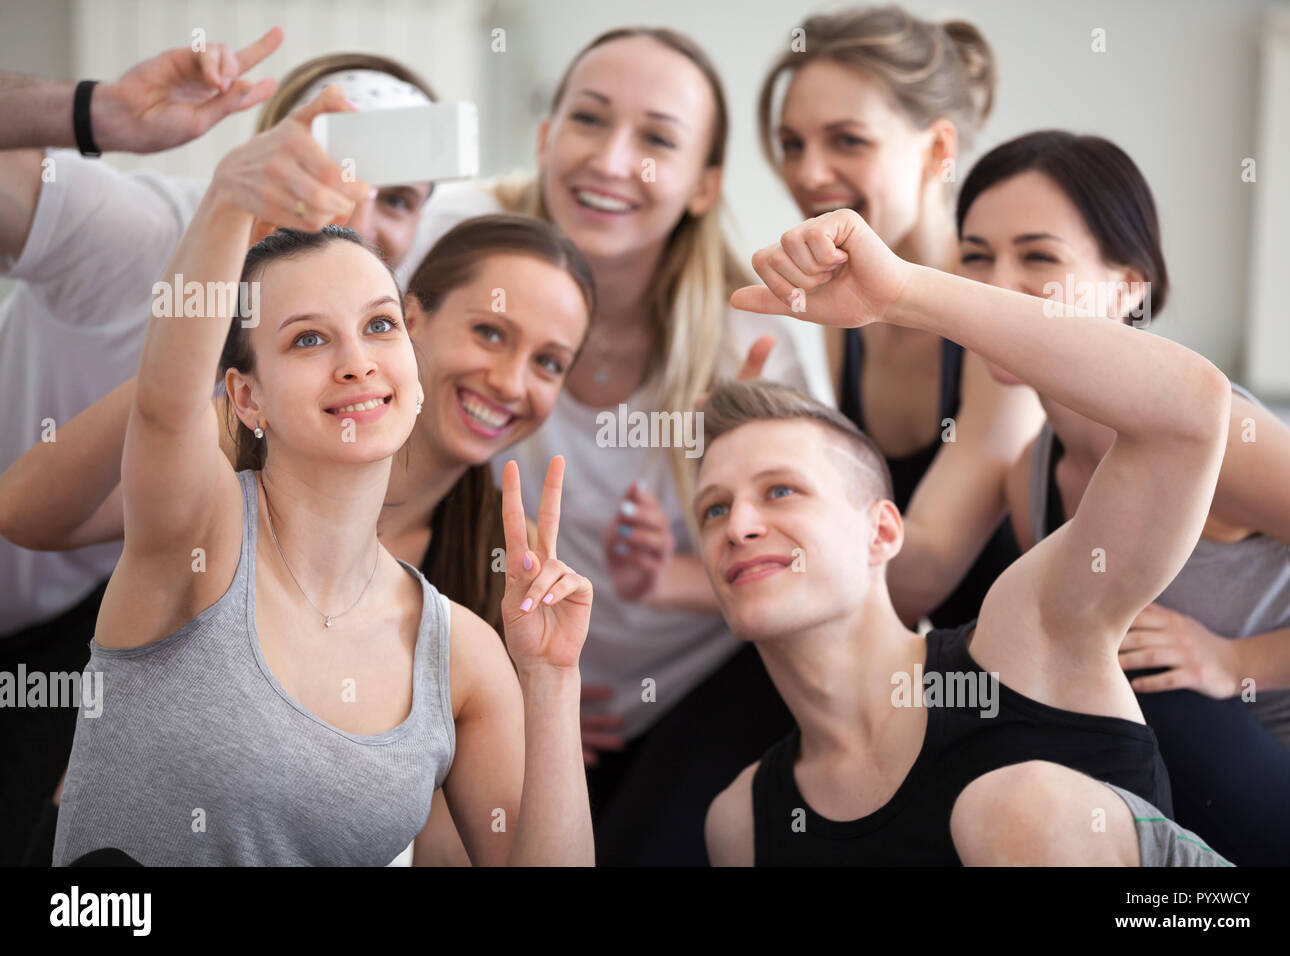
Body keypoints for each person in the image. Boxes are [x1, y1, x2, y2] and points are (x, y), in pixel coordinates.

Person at [51, 91, 593, 864]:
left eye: (380, 325)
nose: (357, 361)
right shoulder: (199, 539)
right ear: (248, 397)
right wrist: (231, 195)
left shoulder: (461, 653)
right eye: (308, 339)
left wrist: (550, 679)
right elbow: (167, 407)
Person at [0, 32, 456, 864]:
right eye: (334, 168)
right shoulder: (138, 232)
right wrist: (95, 111)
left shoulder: (333, 388)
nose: (354, 214)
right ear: (265, 156)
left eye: (397, 199)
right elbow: (26, 509)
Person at [699, 207, 1232, 866]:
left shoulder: (1026, 638)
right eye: (714, 510)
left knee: (1011, 811)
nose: (741, 525)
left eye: (780, 490)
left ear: (882, 532)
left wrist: (900, 295)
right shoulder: (742, 823)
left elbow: (1190, 414)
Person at [484, 27, 809, 865]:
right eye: (588, 121)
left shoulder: (756, 337)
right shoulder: (457, 267)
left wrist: (679, 563)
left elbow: (830, 571)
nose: (611, 159)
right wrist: (510, 681)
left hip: (704, 687)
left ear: (705, 186)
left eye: (657, 139)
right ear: (548, 138)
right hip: (512, 678)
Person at [956, 130, 1290, 865]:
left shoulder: (1220, 435)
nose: (995, 284)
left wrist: (1235, 661)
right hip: (1180, 806)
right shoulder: (1031, 474)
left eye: (1037, 255)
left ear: (1129, 287)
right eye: (976, 256)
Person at [757, 6, 1042, 629]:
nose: (807, 173)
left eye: (847, 140)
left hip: (993, 674)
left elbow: (923, 573)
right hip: (875, 646)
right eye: (792, 144)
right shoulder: (830, 310)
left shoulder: (1001, 317)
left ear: (938, 149)